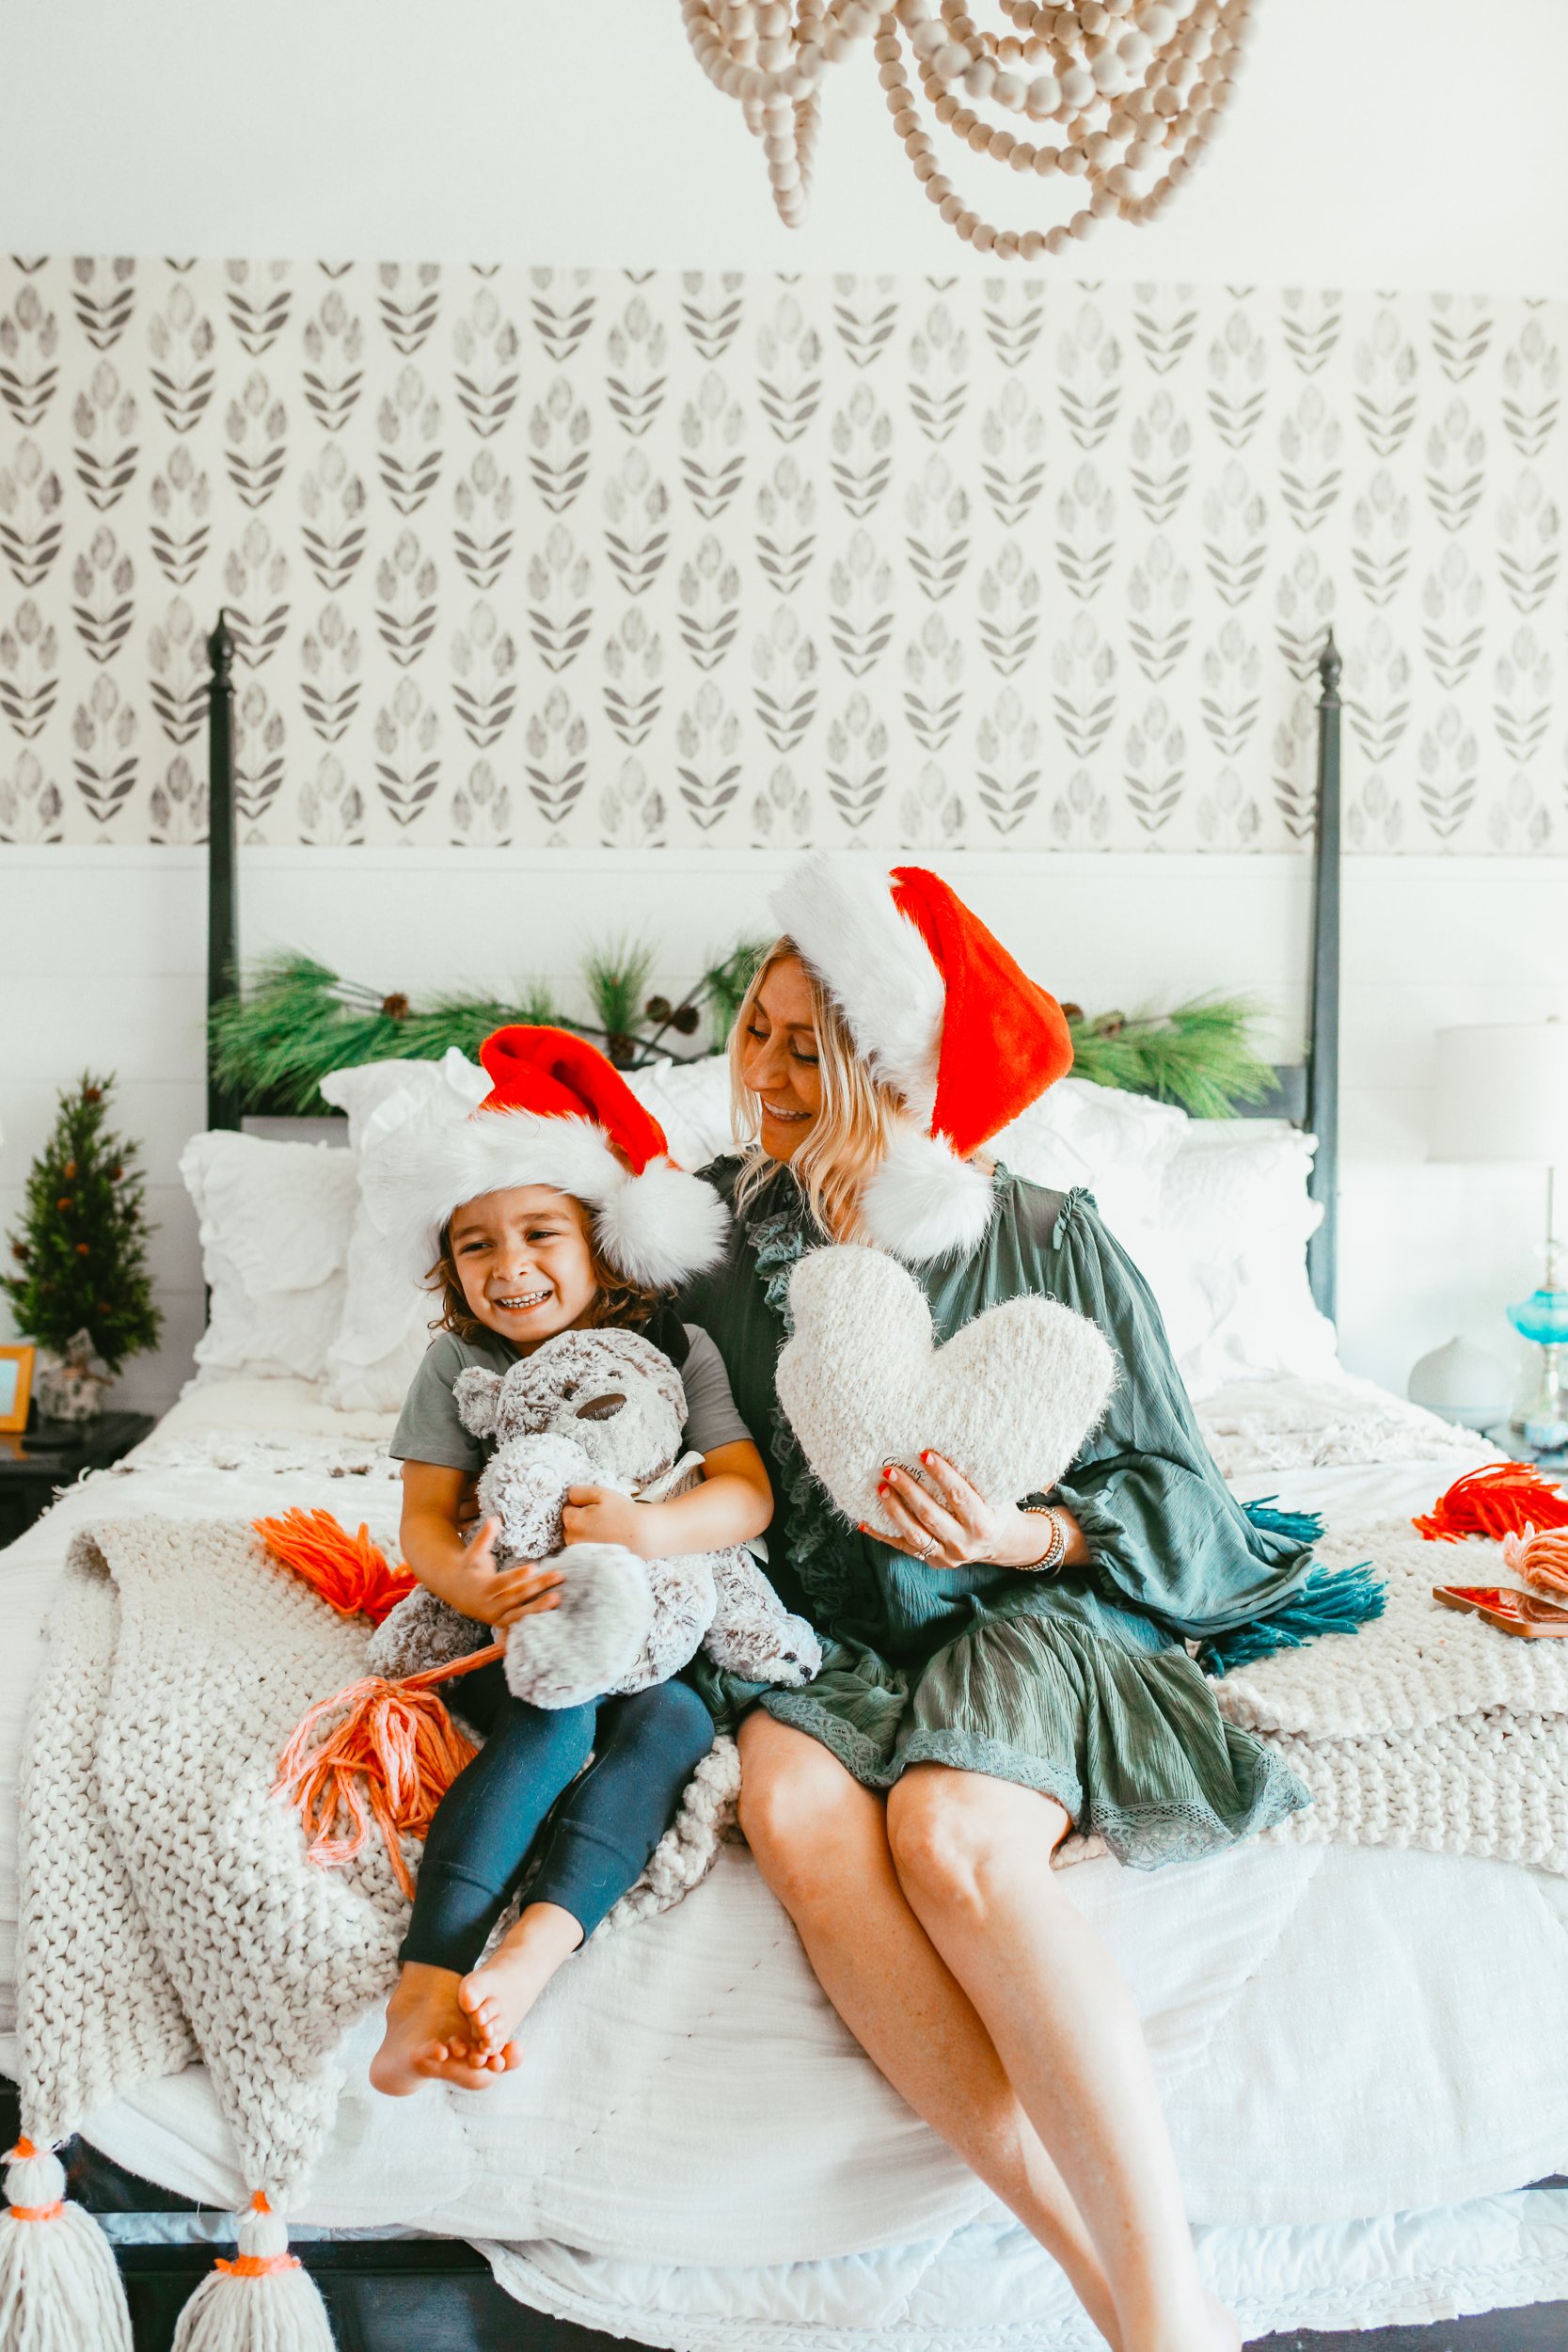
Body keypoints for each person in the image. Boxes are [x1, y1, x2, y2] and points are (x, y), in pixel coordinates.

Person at [678, 855, 1372, 2352]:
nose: (771, 1073)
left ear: (904, 1064)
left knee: (945, 1834)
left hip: (1030, 1617)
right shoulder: (708, 1238)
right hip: (819, 1632)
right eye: (758, 1029)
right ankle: (1117, 2290)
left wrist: (1025, 1531)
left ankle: (1160, 2302)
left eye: (818, 1044)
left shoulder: (1048, 1234)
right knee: (793, 1817)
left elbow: (1185, 1494)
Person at [366, 1025, 773, 2096]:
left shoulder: (679, 1349)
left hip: (657, 1624)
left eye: (540, 1231)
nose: (509, 1267)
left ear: (599, 1235)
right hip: (524, 1626)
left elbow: (743, 1491)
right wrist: (469, 1585)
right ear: (448, 1265)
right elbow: (423, 1520)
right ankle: (427, 1977)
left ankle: (535, 1948)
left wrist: (648, 1528)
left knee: (677, 1724)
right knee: (560, 1711)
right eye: (475, 1245)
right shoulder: (458, 1362)